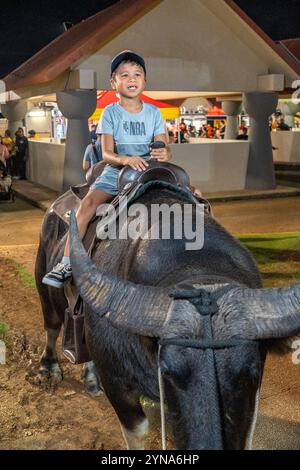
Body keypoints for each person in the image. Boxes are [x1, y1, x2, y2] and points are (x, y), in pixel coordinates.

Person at [42, 50, 171, 288]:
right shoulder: (111, 112)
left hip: (149, 171)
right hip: (117, 171)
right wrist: (126, 160)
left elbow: (164, 146)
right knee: (88, 205)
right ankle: (67, 262)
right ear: (114, 82)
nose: (131, 79)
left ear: (144, 80)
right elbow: (107, 153)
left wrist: (164, 153)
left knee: (194, 195)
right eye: (124, 75)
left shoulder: (154, 112)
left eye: (137, 74)